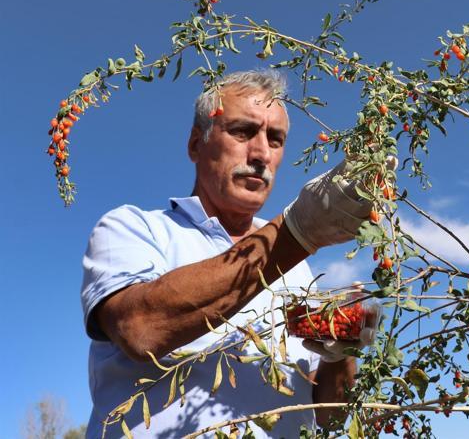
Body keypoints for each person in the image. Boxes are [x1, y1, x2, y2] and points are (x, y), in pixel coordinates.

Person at [80, 70, 375, 438]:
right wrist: (296, 233)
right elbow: (140, 329)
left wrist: (342, 353)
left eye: (276, 139)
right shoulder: (134, 229)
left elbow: (328, 417)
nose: (262, 154)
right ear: (196, 143)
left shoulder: (298, 268)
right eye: (242, 131)